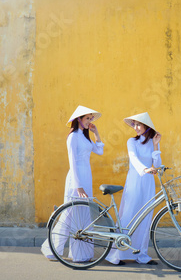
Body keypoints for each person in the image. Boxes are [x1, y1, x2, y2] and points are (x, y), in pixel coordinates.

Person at [41, 105, 104, 261]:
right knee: (70, 214)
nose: (90, 121)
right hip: (76, 179)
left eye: (91, 118)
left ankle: (83, 254)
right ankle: (54, 249)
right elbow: (72, 163)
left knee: (83, 215)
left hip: (86, 177)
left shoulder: (85, 136)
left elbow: (100, 151)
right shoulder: (73, 137)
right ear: (78, 120)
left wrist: (96, 133)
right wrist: (78, 185)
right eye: (87, 118)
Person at [106, 112, 162, 265]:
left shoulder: (152, 141)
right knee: (129, 214)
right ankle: (115, 255)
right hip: (135, 180)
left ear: (146, 126)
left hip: (148, 183)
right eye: (134, 124)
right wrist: (144, 169)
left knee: (145, 217)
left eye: (138, 124)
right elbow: (134, 159)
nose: (135, 127)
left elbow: (156, 165)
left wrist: (156, 144)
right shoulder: (132, 141)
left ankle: (141, 254)